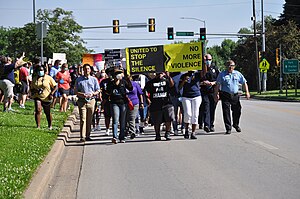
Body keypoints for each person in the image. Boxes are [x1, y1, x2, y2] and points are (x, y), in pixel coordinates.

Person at [215, 60, 250, 134]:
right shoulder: (222, 74)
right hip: (225, 95)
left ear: (234, 66)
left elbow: (244, 83)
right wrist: (216, 94)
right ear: (226, 66)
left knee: (238, 110)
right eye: (229, 65)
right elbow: (217, 85)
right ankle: (228, 128)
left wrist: (247, 92)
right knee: (226, 112)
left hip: (235, 95)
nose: (230, 67)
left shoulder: (237, 74)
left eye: (232, 65)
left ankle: (235, 124)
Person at [144, 72, 175, 141]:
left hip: (167, 103)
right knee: (156, 121)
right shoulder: (150, 82)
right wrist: (147, 98)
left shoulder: (166, 81)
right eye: (158, 74)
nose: (159, 75)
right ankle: (157, 134)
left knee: (168, 119)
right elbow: (145, 90)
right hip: (155, 104)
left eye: (161, 73)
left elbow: (172, 86)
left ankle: (167, 133)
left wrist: (168, 76)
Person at [106, 68, 133, 144]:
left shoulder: (124, 82)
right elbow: (107, 92)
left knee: (122, 120)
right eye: (116, 74)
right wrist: (114, 84)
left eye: (119, 73)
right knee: (115, 119)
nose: (118, 75)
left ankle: (122, 136)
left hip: (123, 103)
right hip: (114, 103)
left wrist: (128, 79)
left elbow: (130, 88)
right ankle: (115, 136)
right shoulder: (110, 83)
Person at [75, 64, 100, 142]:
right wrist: (82, 94)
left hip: (91, 101)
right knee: (83, 119)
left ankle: (88, 135)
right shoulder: (78, 80)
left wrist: (93, 94)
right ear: (83, 70)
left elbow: (98, 90)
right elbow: (76, 91)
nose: (86, 70)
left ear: (90, 70)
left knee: (89, 119)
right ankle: (82, 136)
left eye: (88, 69)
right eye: (85, 69)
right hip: (82, 101)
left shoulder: (94, 79)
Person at [30, 65, 57, 129]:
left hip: (46, 97)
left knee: (47, 112)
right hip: (37, 96)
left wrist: (51, 94)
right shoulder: (34, 78)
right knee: (38, 109)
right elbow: (32, 88)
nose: (40, 72)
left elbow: (55, 86)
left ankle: (50, 125)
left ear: (44, 71)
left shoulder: (48, 78)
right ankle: (38, 126)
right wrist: (35, 90)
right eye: (39, 70)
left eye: (41, 70)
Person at [178, 70, 203, 139]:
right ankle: (186, 130)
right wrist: (183, 81)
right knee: (188, 114)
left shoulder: (197, 74)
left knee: (195, 114)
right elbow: (179, 88)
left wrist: (204, 61)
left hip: (196, 96)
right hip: (186, 97)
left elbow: (204, 72)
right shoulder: (183, 76)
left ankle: (193, 132)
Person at [200, 54, 220, 132]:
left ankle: (211, 124)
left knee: (212, 108)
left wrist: (213, 83)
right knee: (206, 107)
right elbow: (198, 81)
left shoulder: (215, 68)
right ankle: (206, 125)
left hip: (213, 91)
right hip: (204, 91)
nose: (208, 61)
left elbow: (219, 80)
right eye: (206, 60)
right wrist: (203, 82)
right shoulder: (201, 69)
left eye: (209, 59)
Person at [125, 75, 143, 139]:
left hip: (134, 103)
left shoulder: (135, 84)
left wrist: (141, 103)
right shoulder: (123, 84)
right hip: (125, 103)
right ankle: (126, 131)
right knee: (126, 118)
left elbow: (140, 93)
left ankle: (132, 132)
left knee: (131, 117)